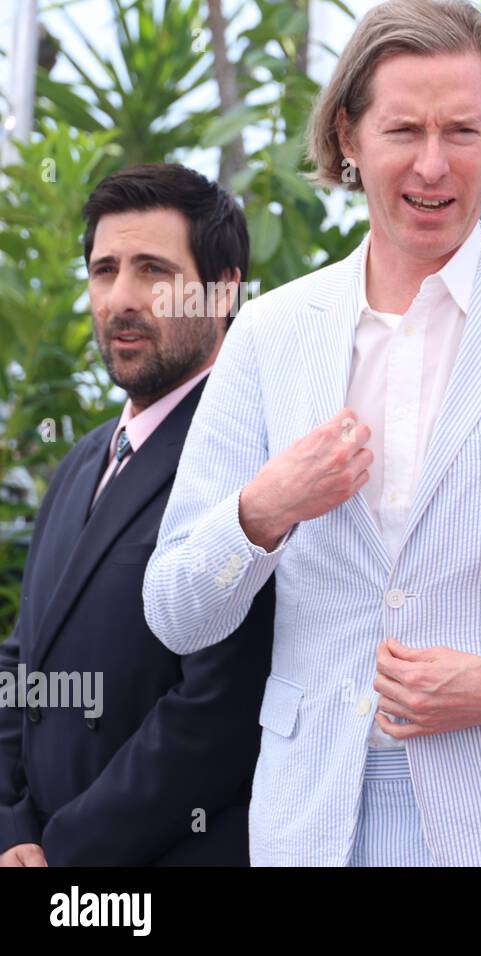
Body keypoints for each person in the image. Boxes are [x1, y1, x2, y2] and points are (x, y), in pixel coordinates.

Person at [142, 0, 481, 866]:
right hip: (308, 822)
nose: (431, 164)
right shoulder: (269, 333)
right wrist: (263, 510)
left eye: (460, 129)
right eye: (402, 129)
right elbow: (175, 612)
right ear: (348, 136)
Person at [0, 163, 274, 866]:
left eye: (153, 271)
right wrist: (12, 827)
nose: (120, 298)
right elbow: (24, 659)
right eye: (104, 270)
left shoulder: (256, 472)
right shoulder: (81, 462)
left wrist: (62, 849)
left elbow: (219, 710)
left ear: (225, 289)